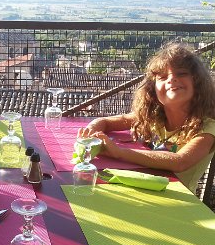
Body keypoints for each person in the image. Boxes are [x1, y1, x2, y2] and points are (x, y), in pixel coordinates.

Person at [79, 42, 215, 193]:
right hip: (142, 188)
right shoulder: (154, 116)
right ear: (152, 90)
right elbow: (105, 122)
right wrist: (91, 132)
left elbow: (180, 162)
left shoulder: (207, 127)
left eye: (181, 73)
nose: (171, 79)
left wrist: (119, 152)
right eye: (162, 77)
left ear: (197, 82)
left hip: (177, 199)